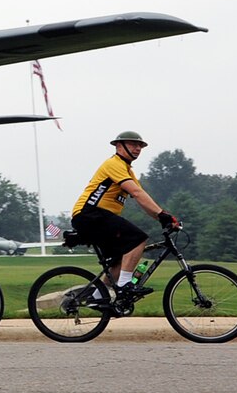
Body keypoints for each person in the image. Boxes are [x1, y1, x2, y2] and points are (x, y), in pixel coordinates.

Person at [70, 130, 179, 304]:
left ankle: (97, 299)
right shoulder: (113, 164)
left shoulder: (127, 169)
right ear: (119, 146)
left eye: (140, 146)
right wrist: (161, 214)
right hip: (89, 214)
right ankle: (125, 285)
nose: (137, 148)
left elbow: (142, 198)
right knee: (138, 239)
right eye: (133, 144)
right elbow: (135, 193)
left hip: (98, 217)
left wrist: (163, 218)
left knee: (120, 260)